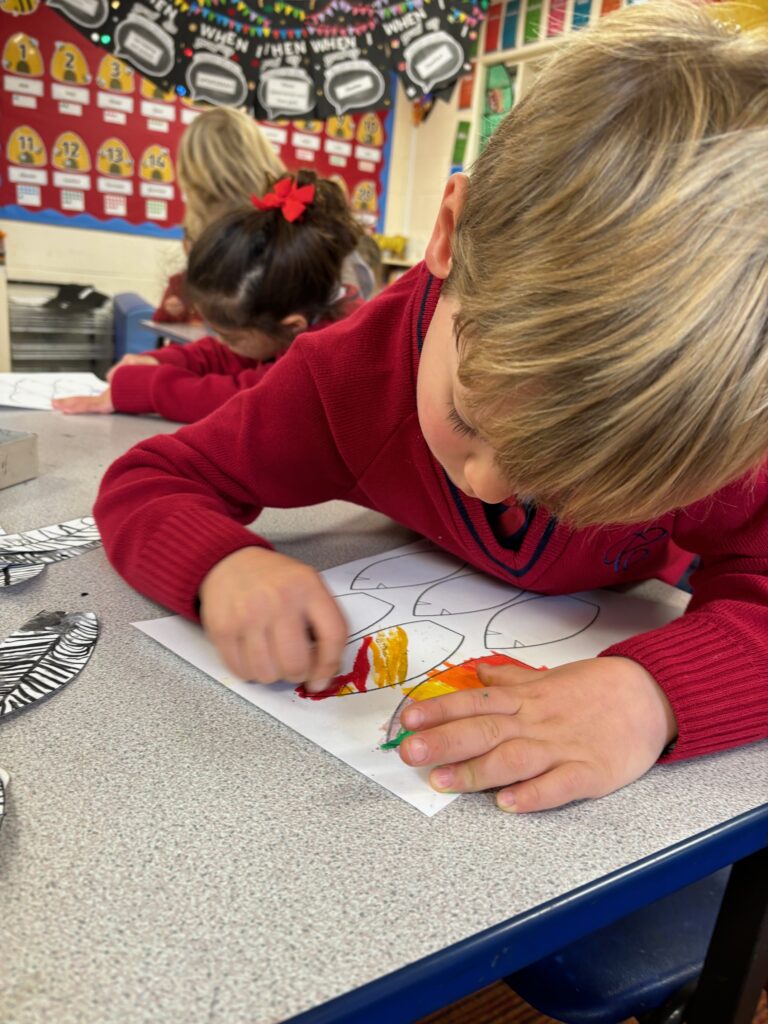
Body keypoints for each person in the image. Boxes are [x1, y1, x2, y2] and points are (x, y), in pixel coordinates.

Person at [93, 1, 768, 813]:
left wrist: (652, 694)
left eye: (568, 481)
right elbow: (151, 478)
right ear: (448, 235)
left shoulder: (717, 415)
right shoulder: (347, 375)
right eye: (473, 420)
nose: (486, 485)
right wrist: (222, 565)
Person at [53, 172, 362, 422]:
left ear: (292, 325)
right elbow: (229, 355)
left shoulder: (332, 348)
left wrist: (141, 388)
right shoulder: (296, 312)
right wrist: (157, 359)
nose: (223, 342)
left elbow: (249, 397)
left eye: (232, 335)